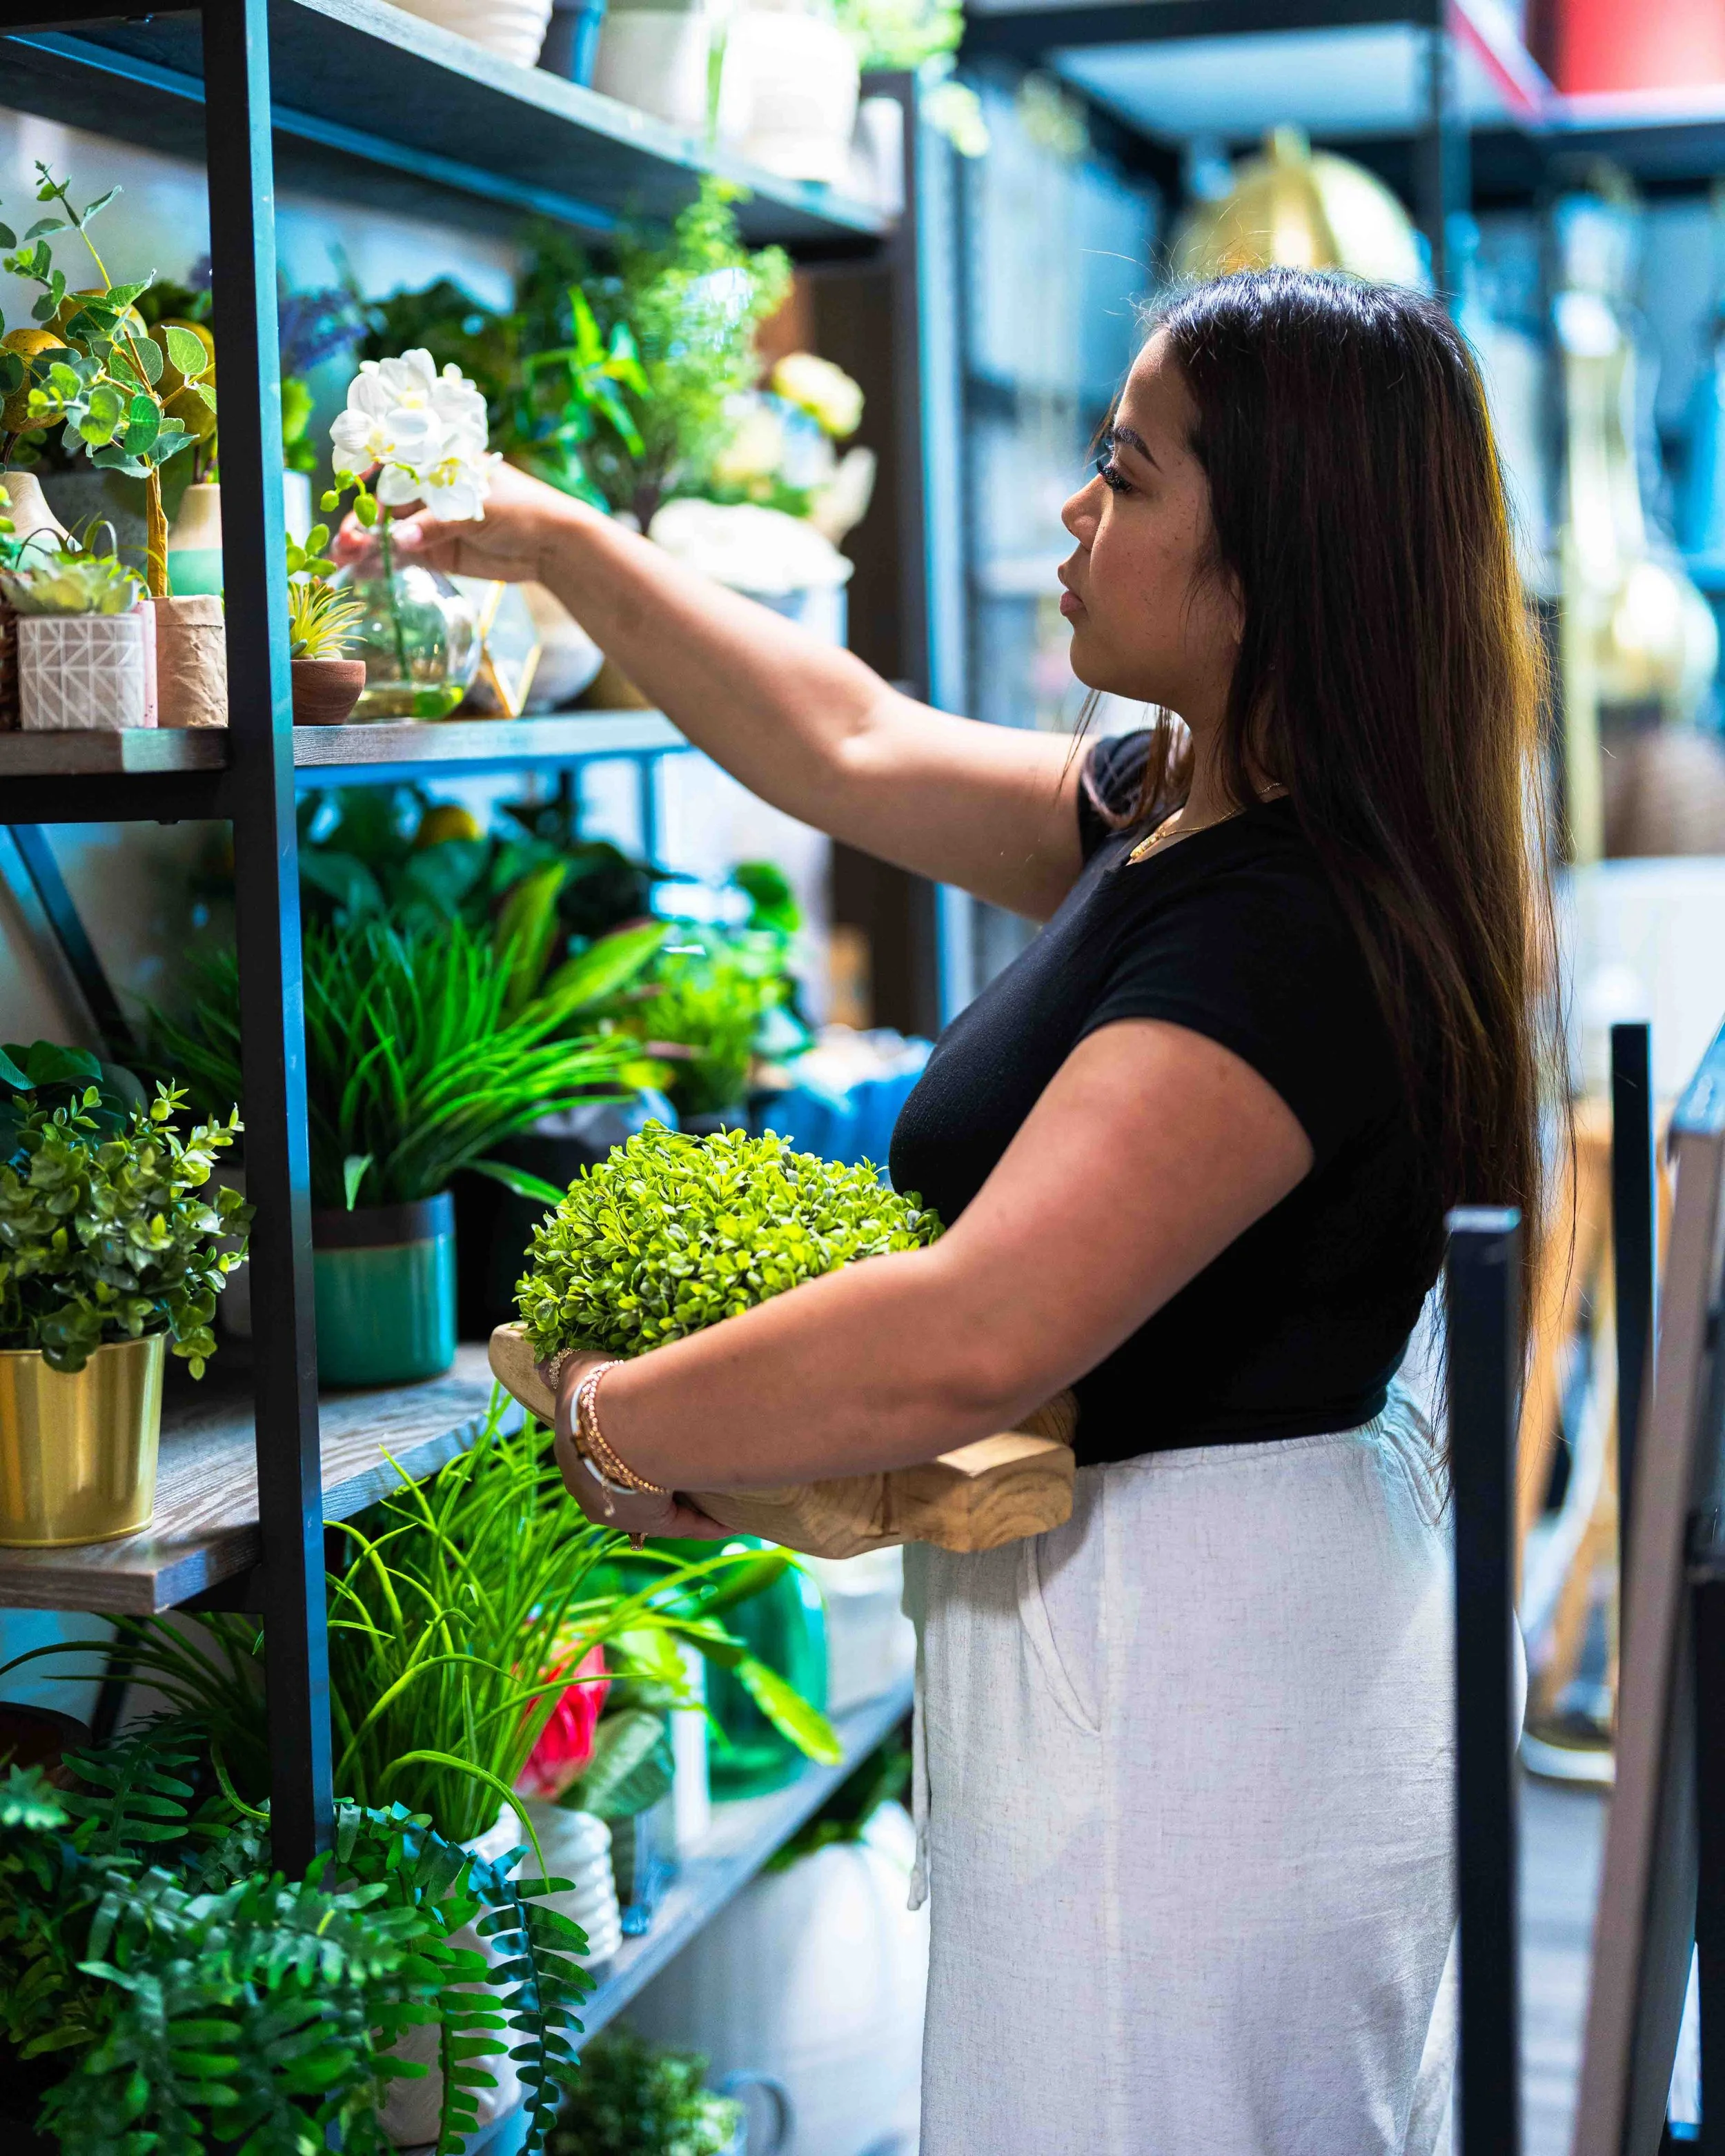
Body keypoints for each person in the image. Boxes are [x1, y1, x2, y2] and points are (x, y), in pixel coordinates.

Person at [338, 266, 1550, 2155]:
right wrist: (565, 544)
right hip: (1149, 1673)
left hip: (1201, 1723)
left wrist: (612, 1412)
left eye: (1125, 474)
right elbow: (847, 742)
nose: (1074, 511)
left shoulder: (1288, 929)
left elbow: (968, 1333)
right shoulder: (1186, 812)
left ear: (1269, 564)